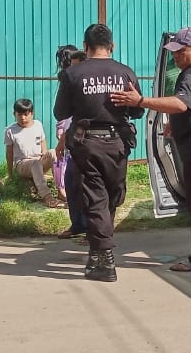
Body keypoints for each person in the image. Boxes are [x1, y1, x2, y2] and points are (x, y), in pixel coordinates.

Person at [111, 27, 191, 273]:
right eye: (173, 52)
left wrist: (141, 101)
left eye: (180, 52)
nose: (175, 56)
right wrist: (175, 125)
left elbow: (180, 103)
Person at [54, 23, 145, 282]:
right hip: (117, 145)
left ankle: (103, 257)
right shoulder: (125, 73)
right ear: (112, 46)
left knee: (97, 199)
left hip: (87, 144)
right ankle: (99, 253)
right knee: (109, 198)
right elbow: (138, 110)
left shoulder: (73, 74)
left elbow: (60, 113)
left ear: (85, 46)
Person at [54, 45, 89, 241]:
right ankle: (78, 225)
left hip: (92, 145)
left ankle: (95, 231)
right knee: (71, 183)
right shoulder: (73, 85)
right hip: (74, 140)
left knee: (88, 188)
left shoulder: (90, 87)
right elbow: (69, 117)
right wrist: (62, 141)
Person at [6, 98, 63, 209]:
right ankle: (48, 197)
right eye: (19, 115)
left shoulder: (38, 125)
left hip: (39, 160)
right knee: (35, 163)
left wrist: (45, 154)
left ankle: (61, 190)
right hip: (22, 163)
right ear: (14, 114)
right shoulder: (10, 131)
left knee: (53, 153)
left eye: (26, 114)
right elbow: (9, 154)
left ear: (32, 114)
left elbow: (43, 141)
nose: (23, 118)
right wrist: (10, 175)